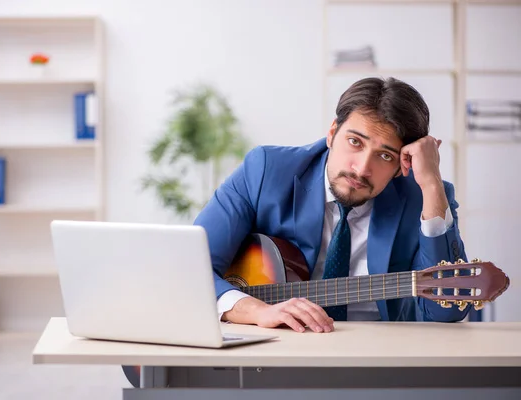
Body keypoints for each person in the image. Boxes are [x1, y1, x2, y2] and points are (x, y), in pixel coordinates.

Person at [193, 76, 470, 333]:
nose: (362, 169)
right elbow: (192, 268)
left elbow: (448, 311)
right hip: (277, 351)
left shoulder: (424, 197)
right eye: (354, 142)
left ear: (401, 165)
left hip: (377, 356)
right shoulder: (266, 171)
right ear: (332, 133)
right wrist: (256, 311)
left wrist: (432, 185)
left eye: (385, 156)